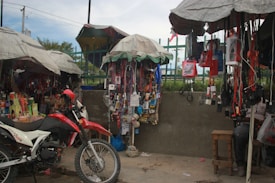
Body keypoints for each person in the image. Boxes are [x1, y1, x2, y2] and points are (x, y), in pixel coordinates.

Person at [233, 98, 266, 176]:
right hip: (247, 124)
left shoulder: (267, 99)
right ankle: (240, 165)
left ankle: (261, 163)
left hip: (262, 125)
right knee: (238, 133)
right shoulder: (246, 98)